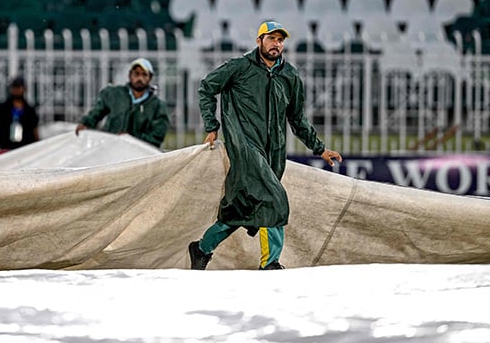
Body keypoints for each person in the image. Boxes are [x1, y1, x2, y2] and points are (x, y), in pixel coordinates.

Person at [189, 21, 343, 270]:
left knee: (242, 207)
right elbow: (207, 87)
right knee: (274, 198)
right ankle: (270, 263)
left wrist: (319, 148)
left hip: (274, 152)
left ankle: (202, 248)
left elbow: (297, 118)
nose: (276, 44)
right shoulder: (239, 67)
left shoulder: (290, 75)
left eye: (280, 40)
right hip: (244, 147)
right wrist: (211, 126)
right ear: (258, 41)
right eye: (271, 39)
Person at [75, 57, 169, 148]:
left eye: (144, 74)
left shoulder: (157, 106)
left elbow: (157, 137)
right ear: (130, 75)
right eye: (136, 74)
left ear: (150, 77)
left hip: (139, 154)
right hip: (109, 148)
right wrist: (86, 124)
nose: (140, 78)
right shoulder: (114, 95)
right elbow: (97, 112)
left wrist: (132, 138)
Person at [0, 76, 39, 155]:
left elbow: (35, 129)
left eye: (18, 87)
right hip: (6, 148)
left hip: (25, 148)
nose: (16, 90)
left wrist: (37, 146)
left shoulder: (29, 109)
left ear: (24, 89)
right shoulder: (3, 108)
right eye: (14, 88)